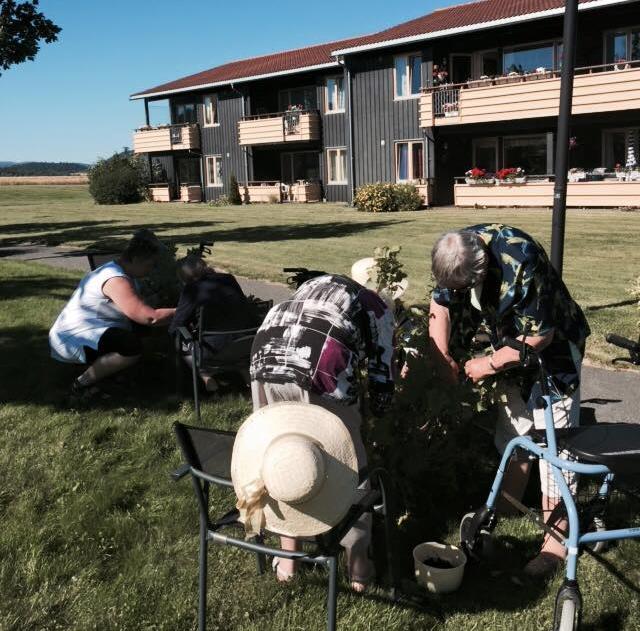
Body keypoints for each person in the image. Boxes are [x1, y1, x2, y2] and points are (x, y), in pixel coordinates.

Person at [428, 224, 589, 577]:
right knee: (515, 427)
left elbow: (540, 336)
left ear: (481, 269)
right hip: (508, 347)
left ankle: (556, 540)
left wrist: (487, 363)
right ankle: (510, 506)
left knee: (554, 445)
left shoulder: (521, 256)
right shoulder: (456, 251)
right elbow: (439, 307)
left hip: (554, 352)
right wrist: (442, 358)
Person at [249, 258, 404, 591]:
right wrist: (375, 413)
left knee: (284, 454)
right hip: (319, 368)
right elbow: (382, 391)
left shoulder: (318, 284)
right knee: (350, 467)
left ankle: (288, 560)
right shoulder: (379, 311)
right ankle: (359, 567)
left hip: (264, 357)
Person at [49, 230, 176, 400]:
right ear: (136, 259)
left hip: (91, 330)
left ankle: (116, 373)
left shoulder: (121, 272)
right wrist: (183, 310)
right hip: (73, 338)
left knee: (137, 331)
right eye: (150, 265)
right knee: (129, 345)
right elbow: (149, 317)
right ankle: (81, 384)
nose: (151, 270)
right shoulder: (115, 279)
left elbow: (138, 306)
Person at [169, 254, 258, 392]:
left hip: (212, 352)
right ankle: (249, 381)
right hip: (246, 344)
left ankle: (207, 379)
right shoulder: (229, 279)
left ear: (183, 277)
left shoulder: (192, 289)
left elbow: (176, 325)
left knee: (179, 337)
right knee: (232, 331)